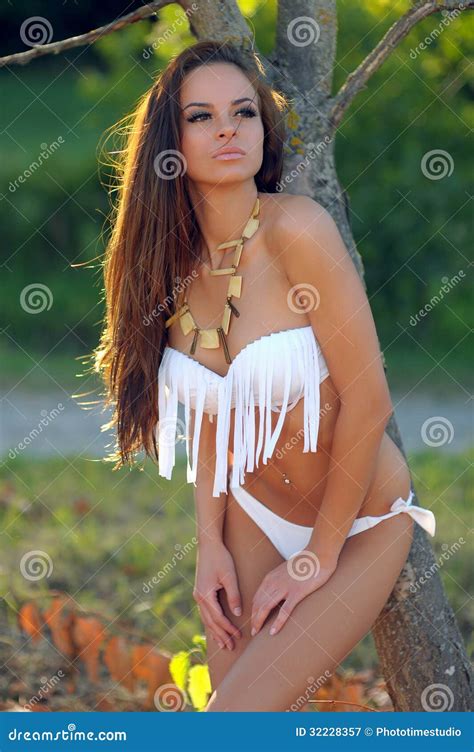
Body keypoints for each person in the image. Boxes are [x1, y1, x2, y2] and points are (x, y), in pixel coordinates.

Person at [94, 40, 436, 712]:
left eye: (243, 112)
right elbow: (220, 412)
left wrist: (316, 558)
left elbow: (368, 402)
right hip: (251, 516)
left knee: (231, 722)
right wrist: (209, 546)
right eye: (201, 117)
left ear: (263, 128)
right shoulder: (169, 265)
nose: (227, 128)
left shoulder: (296, 232)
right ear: (170, 144)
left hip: (358, 519)